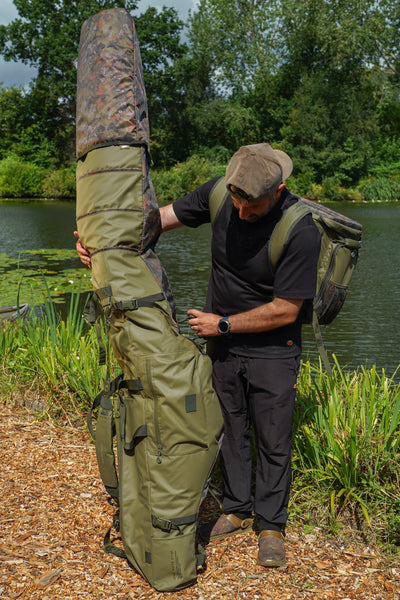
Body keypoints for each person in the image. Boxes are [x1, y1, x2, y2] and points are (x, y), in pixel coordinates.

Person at [75, 143, 320, 568]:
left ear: (278, 191)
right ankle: (237, 509)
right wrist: (103, 245)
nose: (242, 212)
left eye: (253, 207)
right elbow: (158, 220)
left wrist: (222, 324)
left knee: (273, 437)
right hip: (221, 341)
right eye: (237, 202)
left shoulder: (301, 230)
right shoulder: (220, 193)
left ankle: (271, 527)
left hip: (273, 348)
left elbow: (286, 309)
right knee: (228, 426)